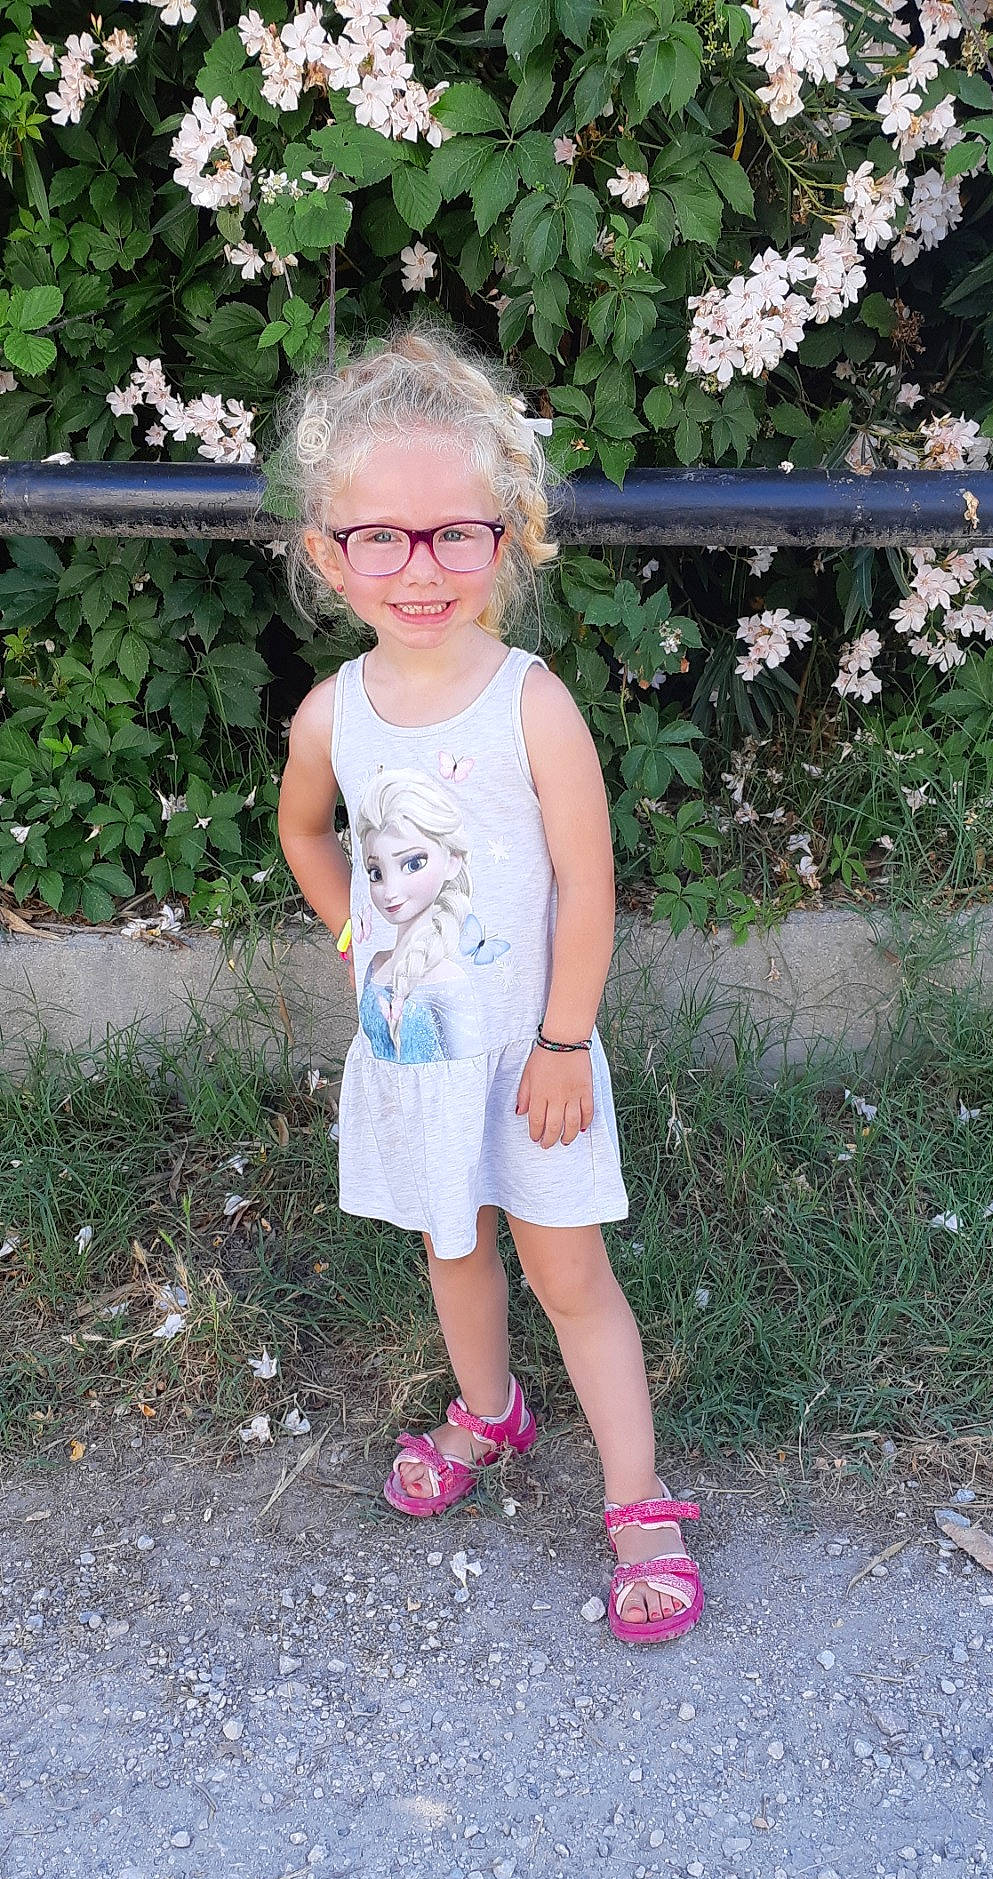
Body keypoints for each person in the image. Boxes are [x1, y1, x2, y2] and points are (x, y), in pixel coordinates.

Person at [275, 322, 703, 1644]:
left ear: (508, 537)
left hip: (534, 1063)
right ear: (325, 553)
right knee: (451, 1251)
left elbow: (590, 882)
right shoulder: (330, 714)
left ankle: (639, 1500)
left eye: (456, 532)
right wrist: (364, 940)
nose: (420, 566)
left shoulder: (531, 702)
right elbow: (304, 832)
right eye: (382, 536)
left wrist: (568, 1042)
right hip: (416, 1061)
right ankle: (490, 1413)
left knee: (568, 1274)